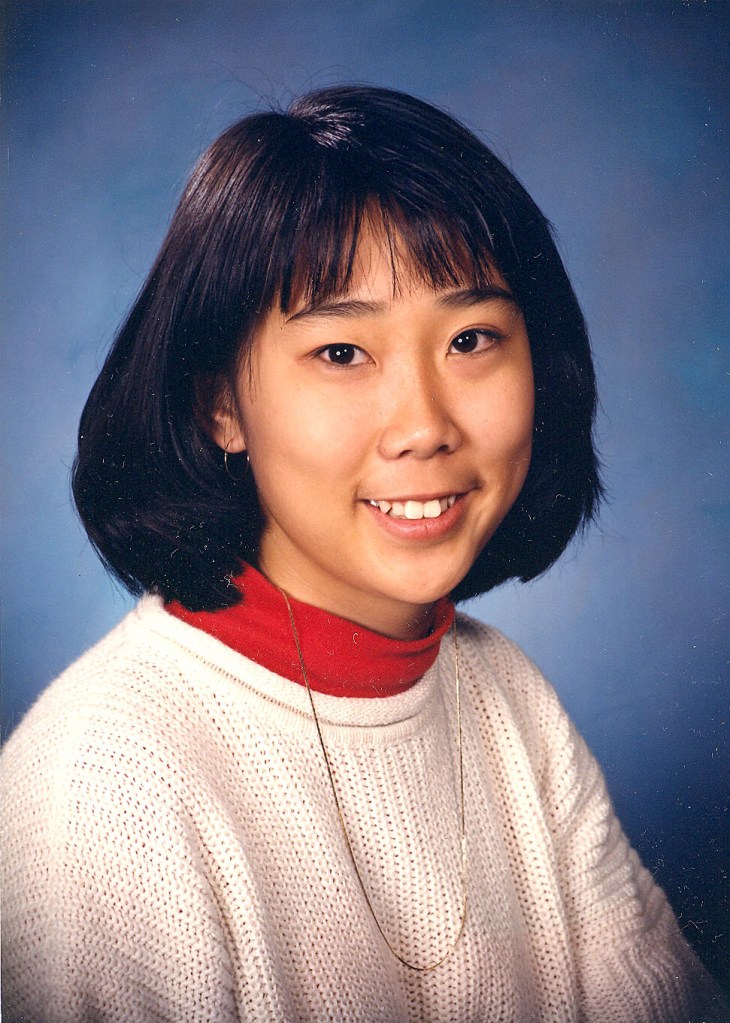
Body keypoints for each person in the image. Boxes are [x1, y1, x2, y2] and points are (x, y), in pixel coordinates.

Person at [0, 85, 723, 1023]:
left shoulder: (512, 702)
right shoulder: (103, 788)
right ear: (219, 405)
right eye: (343, 352)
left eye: (471, 339)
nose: (425, 425)